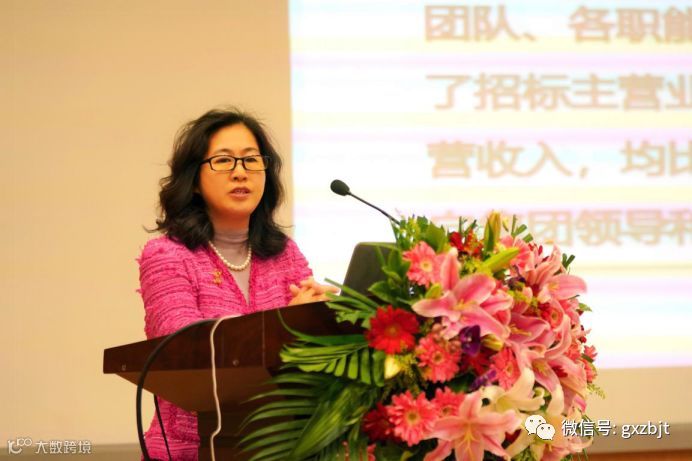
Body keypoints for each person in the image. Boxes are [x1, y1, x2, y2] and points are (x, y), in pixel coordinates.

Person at [137, 108, 333, 460]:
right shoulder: (167, 255)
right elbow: (187, 349)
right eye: (224, 161)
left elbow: (302, 354)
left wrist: (322, 316)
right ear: (194, 180)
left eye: (251, 160)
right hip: (192, 449)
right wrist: (286, 324)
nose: (240, 172)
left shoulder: (284, 254)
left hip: (280, 445)